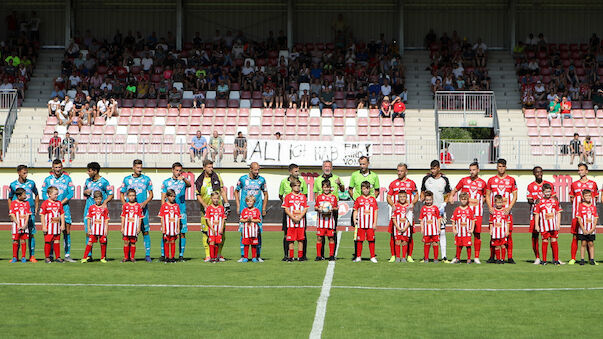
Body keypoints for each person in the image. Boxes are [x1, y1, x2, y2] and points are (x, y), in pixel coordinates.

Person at [448, 162, 486, 263]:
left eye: (474, 170)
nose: (472, 172)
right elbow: (455, 189)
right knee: (459, 235)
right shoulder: (464, 181)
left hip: (477, 213)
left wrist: (482, 202)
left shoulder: (482, 183)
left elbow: (486, 195)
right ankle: (457, 257)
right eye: (470, 170)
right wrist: (451, 196)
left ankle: (476, 257)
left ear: (478, 170)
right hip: (464, 214)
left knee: (477, 234)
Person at [119, 159, 154, 262]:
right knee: (127, 233)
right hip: (130, 213)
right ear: (133, 168)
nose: (139, 169)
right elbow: (121, 193)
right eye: (137, 168)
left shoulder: (146, 179)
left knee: (145, 232)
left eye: (140, 167)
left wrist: (144, 203)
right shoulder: (126, 179)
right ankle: (128, 256)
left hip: (142, 211)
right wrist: (125, 205)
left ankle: (147, 255)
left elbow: (151, 194)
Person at [485, 159, 517, 264]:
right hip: (495, 213)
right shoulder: (491, 180)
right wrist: (490, 207)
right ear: (497, 167)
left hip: (506, 213)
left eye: (503, 166)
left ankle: (510, 257)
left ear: (506, 167)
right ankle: (492, 256)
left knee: (508, 235)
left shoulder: (511, 180)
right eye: (499, 166)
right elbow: (488, 195)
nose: (501, 168)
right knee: (493, 234)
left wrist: (509, 208)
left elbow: (515, 196)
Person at [196, 159, 229, 262]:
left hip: (218, 211)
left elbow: (222, 191)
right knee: (206, 233)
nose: (211, 169)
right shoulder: (199, 180)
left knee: (221, 233)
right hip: (205, 211)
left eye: (212, 167)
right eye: (209, 167)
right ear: (204, 167)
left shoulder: (217, 177)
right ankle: (208, 255)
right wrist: (205, 205)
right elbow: (198, 195)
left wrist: (226, 202)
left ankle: (219, 254)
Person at [42, 160, 75, 262]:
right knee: (51, 232)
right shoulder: (48, 180)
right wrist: (51, 203)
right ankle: (50, 255)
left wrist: (60, 203)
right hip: (51, 211)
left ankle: (67, 254)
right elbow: (43, 193)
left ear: (62, 167)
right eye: (55, 167)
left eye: (59, 167)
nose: (57, 169)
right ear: (52, 168)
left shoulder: (67, 178)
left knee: (66, 231)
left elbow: (70, 193)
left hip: (64, 208)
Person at [234, 162, 268, 261]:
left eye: (258, 170)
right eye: (255, 170)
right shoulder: (243, 179)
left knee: (258, 232)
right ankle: (243, 255)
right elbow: (236, 191)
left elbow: (265, 194)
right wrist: (238, 205)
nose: (257, 172)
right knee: (243, 232)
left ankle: (257, 255)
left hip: (257, 210)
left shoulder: (262, 180)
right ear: (250, 169)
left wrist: (264, 208)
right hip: (244, 209)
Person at [348, 156, 380, 259]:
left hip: (369, 208)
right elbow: (350, 189)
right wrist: (357, 200)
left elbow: (377, 190)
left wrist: (370, 200)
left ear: (368, 164)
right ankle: (357, 254)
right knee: (357, 232)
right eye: (360, 164)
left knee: (370, 234)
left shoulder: (374, 176)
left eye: (364, 164)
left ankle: (372, 255)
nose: (362, 166)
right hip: (358, 207)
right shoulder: (354, 175)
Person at [420, 160, 451, 262]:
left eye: (434, 168)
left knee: (441, 232)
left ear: (438, 168)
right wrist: (422, 198)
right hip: (428, 211)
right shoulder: (426, 179)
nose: (432, 170)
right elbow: (422, 192)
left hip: (440, 210)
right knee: (427, 234)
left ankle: (444, 256)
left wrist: (444, 203)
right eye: (431, 168)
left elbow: (449, 194)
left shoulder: (444, 179)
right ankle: (426, 257)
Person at [386, 163, 418, 262]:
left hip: (407, 213)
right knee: (393, 234)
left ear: (406, 172)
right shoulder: (393, 183)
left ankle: (409, 256)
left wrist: (412, 203)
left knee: (409, 234)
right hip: (396, 213)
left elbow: (416, 195)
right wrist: (393, 205)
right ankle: (393, 255)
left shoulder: (411, 183)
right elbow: (388, 196)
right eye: (398, 171)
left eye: (401, 171)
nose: (399, 173)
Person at [568, 163, 599, 264]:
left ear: (587, 171)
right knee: (575, 236)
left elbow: (596, 197)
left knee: (589, 239)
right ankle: (573, 258)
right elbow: (572, 198)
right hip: (577, 215)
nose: (579, 172)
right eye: (579, 170)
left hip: (589, 215)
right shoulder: (574, 184)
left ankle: (591, 259)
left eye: (581, 170)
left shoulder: (593, 184)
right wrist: (578, 209)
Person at [82, 162, 113, 259]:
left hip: (100, 212)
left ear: (95, 171)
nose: (88, 172)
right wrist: (85, 192)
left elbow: (111, 194)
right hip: (89, 210)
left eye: (89, 170)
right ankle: (89, 256)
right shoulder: (87, 181)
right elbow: (85, 192)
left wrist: (104, 203)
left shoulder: (104, 182)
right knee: (88, 232)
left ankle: (103, 256)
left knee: (103, 233)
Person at [8, 165, 39, 262]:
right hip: (17, 214)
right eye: (24, 173)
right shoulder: (13, 185)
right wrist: (11, 213)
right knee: (17, 235)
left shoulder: (31, 183)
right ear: (19, 173)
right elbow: (9, 198)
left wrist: (36, 207)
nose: (26, 175)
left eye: (26, 173)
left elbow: (37, 194)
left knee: (31, 233)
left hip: (29, 212)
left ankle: (32, 256)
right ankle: (15, 257)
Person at [161, 162, 191, 261]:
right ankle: (163, 254)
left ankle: (181, 255)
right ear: (172, 170)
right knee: (166, 232)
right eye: (177, 170)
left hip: (181, 210)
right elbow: (163, 197)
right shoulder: (166, 182)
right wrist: (163, 209)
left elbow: (190, 185)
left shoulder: (183, 181)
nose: (178, 172)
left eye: (180, 171)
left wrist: (184, 178)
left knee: (182, 233)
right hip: (168, 212)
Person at [279, 163, 309, 260]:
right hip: (289, 212)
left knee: (302, 234)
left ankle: (302, 255)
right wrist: (287, 204)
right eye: (296, 171)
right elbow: (280, 195)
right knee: (286, 233)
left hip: (300, 213)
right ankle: (287, 255)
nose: (297, 173)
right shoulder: (284, 181)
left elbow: (305, 195)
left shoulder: (302, 181)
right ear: (290, 171)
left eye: (298, 171)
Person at [526, 166, 556, 265]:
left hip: (547, 215)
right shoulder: (530, 186)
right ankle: (538, 257)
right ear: (534, 174)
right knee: (535, 235)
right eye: (537, 172)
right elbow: (529, 200)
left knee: (551, 236)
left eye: (540, 172)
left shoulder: (549, 184)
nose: (539, 174)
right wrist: (535, 201)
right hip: (535, 214)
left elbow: (555, 197)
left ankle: (554, 258)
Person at [534, 183, 562, 265]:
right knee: (544, 241)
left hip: (553, 225)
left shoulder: (555, 201)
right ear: (543, 192)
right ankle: (544, 260)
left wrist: (558, 223)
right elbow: (537, 214)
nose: (548, 193)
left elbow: (558, 212)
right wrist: (536, 225)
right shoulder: (540, 201)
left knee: (554, 240)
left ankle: (556, 260)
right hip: (544, 225)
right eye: (546, 192)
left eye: (549, 191)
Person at [352, 181, 379, 263]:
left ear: (369, 189)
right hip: (361, 224)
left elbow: (375, 211)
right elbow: (355, 210)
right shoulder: (358, 199)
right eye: (364, 189)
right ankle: (358, 256)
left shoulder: (372, 199)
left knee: (371, 240)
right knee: (360, 240)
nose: (366, 190)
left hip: (370, 224)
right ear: (361, 189)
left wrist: (375, 223)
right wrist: (354, 219)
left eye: (367, 189)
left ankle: (372, 256)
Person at [81, 191, 109, 263]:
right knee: (90, 242)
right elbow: (89, 218)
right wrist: (89, 228)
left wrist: (106, 229)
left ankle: (103, 258)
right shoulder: (91, 208)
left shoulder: (104, 208)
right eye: (97, 199)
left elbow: (106, 219)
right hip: (94, 229)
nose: (98, 200)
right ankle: (85, 257)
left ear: (102, 199)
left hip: (102, 230)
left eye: (99, 199)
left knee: (103, 243)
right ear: (94, 199)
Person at [40, 186, 66, 263]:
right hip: (49, 227)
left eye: (57, 194)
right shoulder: (45, 203)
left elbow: (62, 214)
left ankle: (58, 257)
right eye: (55, 194)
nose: (56, 195)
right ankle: (47, 257)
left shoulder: (59, 203)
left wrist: (63, 224)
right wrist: (43, 226)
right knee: (48, 241)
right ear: (49, 194)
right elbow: (42, 215)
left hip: (57, 227)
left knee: (57, 241)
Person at [314, 180, 338, 261]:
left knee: (331, 238)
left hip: (330, 222)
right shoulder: (319, 197)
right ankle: (318, 255)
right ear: (322, 188)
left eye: (327, 187)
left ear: (330, 188)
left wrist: (331, 209)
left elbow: (336, 207)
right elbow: (315, 207)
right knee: (319, 238)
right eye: (324, 187)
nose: (326, 189)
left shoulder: (333, 197)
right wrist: (320, 209)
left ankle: (331, 255)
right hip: (321, 221)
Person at [450, 192, 475, 264]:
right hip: (459, 232)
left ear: (467, 200)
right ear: (460, 200)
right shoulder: (457, 210)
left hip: (467, 232)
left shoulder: (469, 210)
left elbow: (473, 220)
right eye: (462, 199)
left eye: (465, 199)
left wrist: (472, 229)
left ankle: (469, 259)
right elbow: (453, 220)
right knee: (459, 246)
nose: (463, 201)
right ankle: (458, 258)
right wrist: (454, 229)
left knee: (468, 246)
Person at [158, 189, 181, 263]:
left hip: (173, 227)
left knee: (173, 241)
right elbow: (161, 217)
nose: (172, 198)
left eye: (174, 196)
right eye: (171, 196)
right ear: (167, 197)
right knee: (167, 241)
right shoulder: (164, 206)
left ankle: (172, 257)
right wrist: (163, 227)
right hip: (167, 227)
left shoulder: (176, 206)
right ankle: (167, 257)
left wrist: (178, 227)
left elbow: (178, 218)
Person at [9, 188, 31, 263]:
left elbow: (28, 214)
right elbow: (12, 214)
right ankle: (15, 257)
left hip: (24, 226)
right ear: (19, 196)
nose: (25, 196)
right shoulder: (13, 203)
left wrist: (25, 224)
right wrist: (17, 223)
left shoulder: (27, 203)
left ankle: (23, 257)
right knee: (15, 241)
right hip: (16, 226)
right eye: (24, 195)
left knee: (23, 240)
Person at [121, 189, 143, 263]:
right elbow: (123, 217)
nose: (132, 197)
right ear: (127, 196)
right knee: (126, 242)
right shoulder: (125, 206)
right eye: (130, 196)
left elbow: (140, 217)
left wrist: (139, 227)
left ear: (135, 196)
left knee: (133, 243)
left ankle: (132, 257)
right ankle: (125, 257)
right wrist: (122, 227)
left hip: (134, 228)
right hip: (127, 228)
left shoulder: (138, 206)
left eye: (133, 195)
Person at [576, 190, 598, 266]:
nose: (588, 197)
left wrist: (593, 229)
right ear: (583, 197)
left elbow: (595, 218)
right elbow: (579, 219)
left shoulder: (593, 207)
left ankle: (592, 259)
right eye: (586, 196)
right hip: (583, 230)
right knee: (583, 243)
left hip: (591, 229)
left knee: (591, 243)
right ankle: (582, 259)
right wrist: (583, 229)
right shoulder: (580, 206)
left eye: (589, 196)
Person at [391, 191, 412, 263]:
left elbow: (410, 219)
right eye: (400, 197)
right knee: (397, 242)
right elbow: (393, 218)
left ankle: (403, 257)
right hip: (397, 228)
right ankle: (397, 257)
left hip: (406, 228)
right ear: (398, 198)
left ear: (406, 198)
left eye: (404, 197)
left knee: (404, 242)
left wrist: (406, 227)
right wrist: (397, 227)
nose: (402, 198)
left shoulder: (409, 207)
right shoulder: (395, 206)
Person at [420, 191, 441, 263]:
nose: (428, 201)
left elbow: (438, 218)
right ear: (425, 200)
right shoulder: (423, 209)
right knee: (427, 243)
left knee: (435, 243)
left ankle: (435, 258)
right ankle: (426, 258)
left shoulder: (435, 208)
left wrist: (439, 228)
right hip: (426, 230)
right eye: (427, 200)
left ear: (432, 200)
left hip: (434, 230)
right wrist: (422, 228)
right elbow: (421, 220)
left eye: (430, 200)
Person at [239, 195, 262, 262]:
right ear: (246, 202)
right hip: (246, 231)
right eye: (248, 201)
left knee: (254, 244)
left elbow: (258, 220)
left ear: (254, 202)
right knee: (246, 244)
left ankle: (254, 257)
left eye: (251, 201)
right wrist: (246, 220)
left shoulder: (256, 210)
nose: (249, 203)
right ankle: (245, 257)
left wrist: (252, 220)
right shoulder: (244, 210)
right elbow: (241, 220)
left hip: (254, 231)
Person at [489, 195, 510, 264]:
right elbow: (491, 222)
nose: (499, 204)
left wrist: (507, 231)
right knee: (496, 246)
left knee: (503, 245)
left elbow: (508, 222)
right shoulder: (493, 211)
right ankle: (498, 259)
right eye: (498, 203)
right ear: (495, 203)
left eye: (500, 202)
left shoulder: (505, 211)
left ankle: (502, 259)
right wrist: (491, 230)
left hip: (503, 232)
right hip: (495, 233)